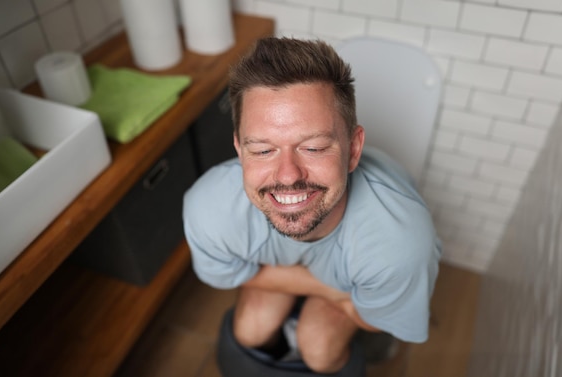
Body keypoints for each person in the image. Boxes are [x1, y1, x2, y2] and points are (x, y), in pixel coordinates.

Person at [183, 37, 441, 374]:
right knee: (249, 330)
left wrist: (339, 300)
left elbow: (377, 320)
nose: (288, 176)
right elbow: (227, 276)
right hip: (342, 278)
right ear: (239, 149)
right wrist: (336, 292)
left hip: (363, 263)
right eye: (262, 150)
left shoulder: (398, 243)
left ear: (353, 148)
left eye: (315, 147)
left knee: (318, 347)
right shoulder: (210, 209)